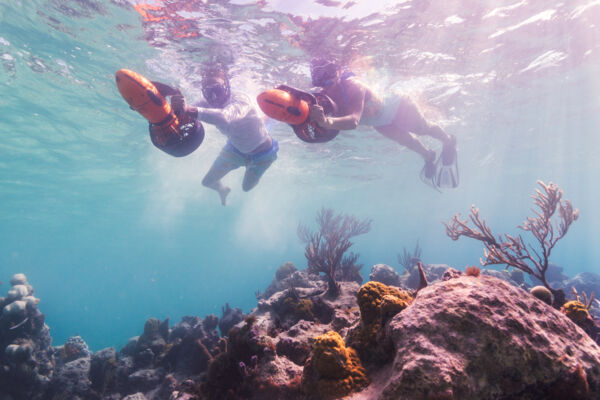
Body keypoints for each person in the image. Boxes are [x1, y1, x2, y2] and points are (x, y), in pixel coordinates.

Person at [307, 58, 458, 189]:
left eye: (328, 81)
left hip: (397, 106)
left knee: (422, 128)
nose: (325, 87)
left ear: (339, 72)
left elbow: (353, 121)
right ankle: (429, 156)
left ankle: (448, 140)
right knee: (407, 142)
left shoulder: (354, 86)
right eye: (320, 83)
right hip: (378, 121)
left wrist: (326, 121)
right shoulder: (324, 94)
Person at [171, 65, 278, 205]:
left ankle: (265, 126)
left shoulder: (241, 99)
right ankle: (222, 190)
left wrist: (187, 109)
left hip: (262, 154)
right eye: (209, 92)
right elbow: (182, 115)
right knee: (207, 182)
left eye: (217, 89)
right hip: (235, 150)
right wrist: (173, 108)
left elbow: (225, 117)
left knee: (246, 187)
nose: (214, 96)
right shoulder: (206, 103)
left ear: (227, 86)